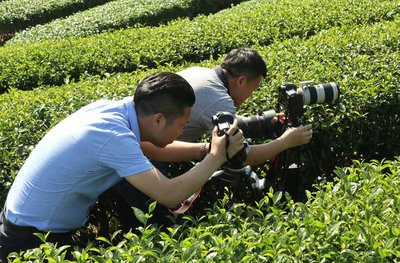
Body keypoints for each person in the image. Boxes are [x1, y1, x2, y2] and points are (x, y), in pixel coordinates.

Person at [0, 72, 245, 262]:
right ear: (158, 119)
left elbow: (150, 149)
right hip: (31, 240)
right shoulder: (111, 136)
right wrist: (216, 156)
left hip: (22, 222)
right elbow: (169, 194)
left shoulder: (116, 112)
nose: (181, 132)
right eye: (181, 125)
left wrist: (206, 148)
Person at [110, 47, 313, 231]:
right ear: (241, 81)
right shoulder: (219, 100)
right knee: (166, 228)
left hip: (139, 148)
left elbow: (222, 117)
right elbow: (244, 156)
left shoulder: (203, 74)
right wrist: (286, 141)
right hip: (142, 160)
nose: (252, 94)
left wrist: (266, 122)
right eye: (255, 87)